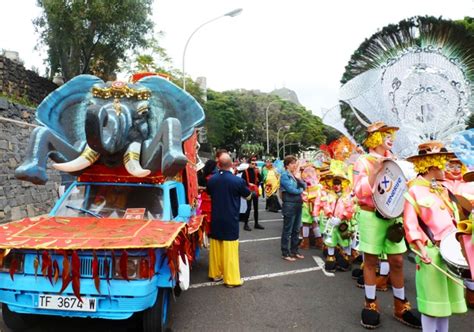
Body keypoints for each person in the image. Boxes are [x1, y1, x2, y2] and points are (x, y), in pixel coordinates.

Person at [353, 121, 421, 329]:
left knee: (398, 261)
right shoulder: (362, 162)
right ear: (375, 139)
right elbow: (359, 191)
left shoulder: (396, 161)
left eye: (391, 135)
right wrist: (376, 170)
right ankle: (370, 303)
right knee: (371, 261)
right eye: (386, 135)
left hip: (394, 217)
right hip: (371, 216)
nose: (390, 139)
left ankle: (401, 305)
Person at [403, 141, 467, 331]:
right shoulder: (413, 191)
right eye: (443, 164)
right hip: (430, 252)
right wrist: (421, 249)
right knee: (431, 304)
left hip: (450, 251)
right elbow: (410, 224)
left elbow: (455, 219)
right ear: (431, 165)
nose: (446, 169)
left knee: (444, 303)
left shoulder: (444, 189)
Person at [207, 153, 253, 287]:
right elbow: (248, 196)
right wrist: (253, 193)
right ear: (232, 165)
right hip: (230, 218)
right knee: (230, 249)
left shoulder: (212, 180)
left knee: (216, 247)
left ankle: (215, 274)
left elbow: (209, 193)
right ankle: (231, 279)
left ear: (218, 165)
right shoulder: (237, 181)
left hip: (216, 217)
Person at [321, 173, 355, 272]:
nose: (336, 186)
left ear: (342, 185)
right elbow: (326, 206)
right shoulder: (329, 195)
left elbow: (350, 209)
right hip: (332, 223)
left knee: (345, 242)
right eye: (334, 183)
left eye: (338, 183)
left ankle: (344, 263)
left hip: (342, 224)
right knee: (331, 241)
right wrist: (330, 216)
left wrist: (340, 218)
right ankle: (331, 262)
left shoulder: (347, 196)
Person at [280, 155, 306, 261]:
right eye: (292, 163)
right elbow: (291, 190)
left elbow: (304, 185)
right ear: (287, 165)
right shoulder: (284, 175)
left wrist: (300, 182)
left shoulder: (294, 175)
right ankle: (285, 253)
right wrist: (301, 191)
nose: (295, 165)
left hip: (297, 204)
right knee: (287, 230)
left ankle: (294, 251)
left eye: (295, 163)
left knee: (296, 230)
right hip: (289, 205)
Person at [242, 158, 264, 231]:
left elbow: (261, 179)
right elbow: (242, 182)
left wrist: (257, 182)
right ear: (249, 164)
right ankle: (245, 224)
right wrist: (248, 184)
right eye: (252, 163)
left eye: (254, 163)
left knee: (256, 208)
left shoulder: (256, 171)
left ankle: (256, 223)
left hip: (255, 191)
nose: (254, 165)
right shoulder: (245, 172)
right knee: (248, 208)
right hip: (248, 191)